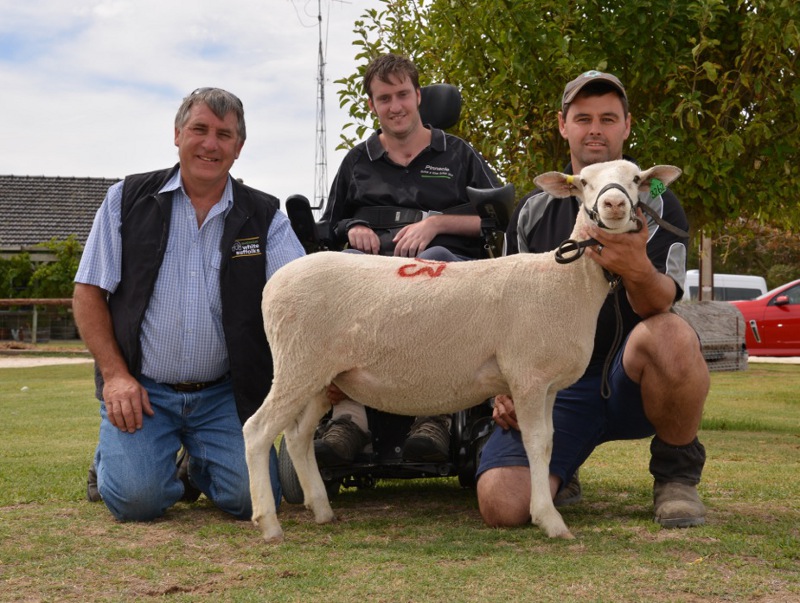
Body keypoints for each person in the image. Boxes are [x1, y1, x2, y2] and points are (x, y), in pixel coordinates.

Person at [476, 71, 710, 529]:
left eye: (608, 118)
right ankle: (566, 464)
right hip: (556, 385)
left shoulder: (659, 200)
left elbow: (663, 300)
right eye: (583, 118)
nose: (595, 129)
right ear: (564, 126)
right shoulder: (532, 210)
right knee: (502, 504)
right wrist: (503, 387)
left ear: (626, 126)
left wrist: (635, 266)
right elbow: (503, 314)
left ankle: (676, 475)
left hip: (631, 376)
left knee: (674, 335)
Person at [74, 87, 305, 522]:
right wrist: (115, 376)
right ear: (178, 133)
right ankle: (114, 458)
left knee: (252, 501)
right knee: (137, 502)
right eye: (199, 129)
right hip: (142, 389)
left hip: (223, 393)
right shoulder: (125, 199)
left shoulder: (266, 217)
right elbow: (88, 293)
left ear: (239, 147)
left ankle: (197, 459)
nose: (210, 144)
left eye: (224, 134)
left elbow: (301, 296)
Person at [315, 53, 501, 466]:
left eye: (402, 94)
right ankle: (349, 418)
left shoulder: (457, 154)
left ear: (418, 96)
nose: (395, 106)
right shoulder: (356, 162)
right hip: (372, 275)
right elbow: (329, 225)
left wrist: (436, 224)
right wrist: (352, 228)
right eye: (384, 98)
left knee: (432, 262)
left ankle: (433, 414)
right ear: (372, 105)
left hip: (441, 269)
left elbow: (495, 219)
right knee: (342, 270)